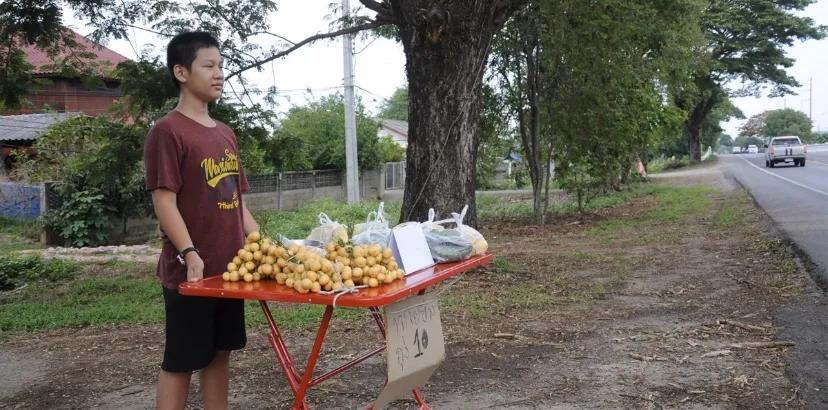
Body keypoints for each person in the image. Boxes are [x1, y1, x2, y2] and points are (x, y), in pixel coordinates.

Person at [143, 31, 259, 410]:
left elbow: (237, 203)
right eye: (208, 66)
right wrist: (190, 252)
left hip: (229, 272)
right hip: (190, 274)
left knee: (220, 353)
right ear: (181, 71)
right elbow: (164, 201)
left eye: (222, 66)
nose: (219, 74)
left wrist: (263, 243)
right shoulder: (168, 131)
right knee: (181, 362)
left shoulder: (225, 134)